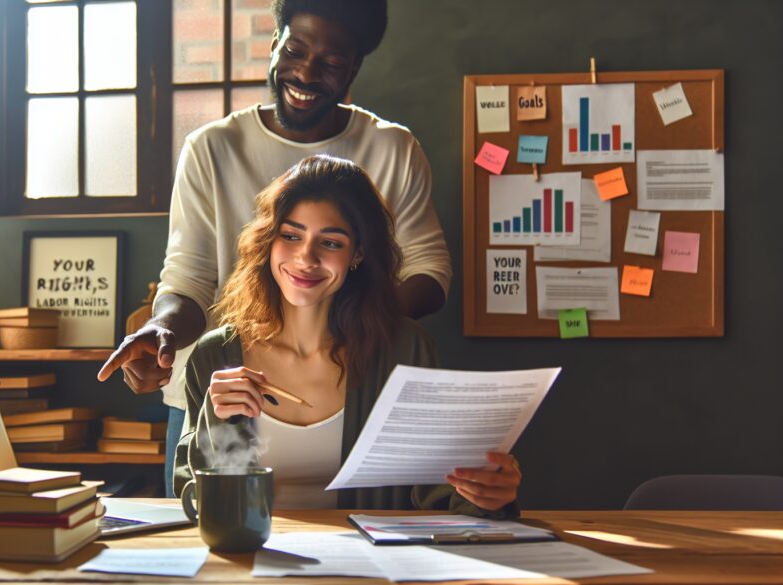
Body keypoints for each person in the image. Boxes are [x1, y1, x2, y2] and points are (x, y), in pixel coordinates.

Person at [98, 0, 452, 497]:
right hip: (221, 388)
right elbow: (189, 277)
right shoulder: (210, 148)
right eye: (295, 50)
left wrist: (343, 325)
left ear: (354, 68)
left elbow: (429, 269)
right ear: (273, 45)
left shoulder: (392, 149)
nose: (306, 73)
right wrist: (161, 331)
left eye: (330, 63)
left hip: (354, 388)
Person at [173, 155, 520, 514]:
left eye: (331, 243)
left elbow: (441, 495)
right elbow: (193, 503)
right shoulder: (215, 356)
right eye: (291, 235)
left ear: (358, 253)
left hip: (372, 566)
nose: (306, 257)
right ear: (267, 242)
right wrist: (214, 425)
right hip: (250, 560)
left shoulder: (405, 350)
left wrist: (488, 492)